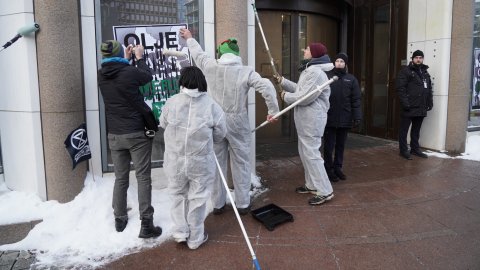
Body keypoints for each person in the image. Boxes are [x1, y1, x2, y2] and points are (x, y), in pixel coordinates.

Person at [179, 28, 279, 215]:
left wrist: (190, 38)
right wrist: (273, 111)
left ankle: (217, 203)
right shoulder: (245, 71)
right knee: (241, 162)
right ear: (236, 54)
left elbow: (198, 54)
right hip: (237, 121)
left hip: (215, 121)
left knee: (216, 162)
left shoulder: (210, 66)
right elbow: (266, 86)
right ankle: (242, 203)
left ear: (221, 54)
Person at [98, 40, 162, 238]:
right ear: (119, 53)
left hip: (115, 135)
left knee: (120, 177)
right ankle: (146, 223)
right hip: (136, 133)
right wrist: (140, 58)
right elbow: (146, 77)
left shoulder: (101, 74)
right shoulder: (130, 72)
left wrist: (125, 60)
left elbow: (119, 76)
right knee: (142, 177)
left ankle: (119, 219)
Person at [160, 66, 227, 250]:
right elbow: (221, 132)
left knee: (177, 195)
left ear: (182, 81)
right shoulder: (212, 105)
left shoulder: (171, 102)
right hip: (201, 161)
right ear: (201, 82)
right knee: (198, 198)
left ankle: (181, 231)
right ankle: (196, 237)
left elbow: (163, 123)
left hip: (175, 160)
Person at [274, 43, 335, 205]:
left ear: (314, 54)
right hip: (306, 121)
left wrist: (285, 96)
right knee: (305, 153)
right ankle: (312, 185)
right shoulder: (310, 70)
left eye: (307, 49)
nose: (304, 51)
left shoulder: (315, 72)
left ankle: (325, 190)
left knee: (312, 155)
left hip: (312, 121)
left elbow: (306, 96)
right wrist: (284, 82)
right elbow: (301, 89)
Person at [323, 53, 362, 181]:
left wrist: (357, 117)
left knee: (341, 145)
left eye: (342, 61)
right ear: (334, 63)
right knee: (329, 146)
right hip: (330, 117)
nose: (339, 63)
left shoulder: (351, 79)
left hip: (345, 117)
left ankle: (337, 168)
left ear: (345, 64)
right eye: (337, 61)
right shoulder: (328, 77)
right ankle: (328, 170)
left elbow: (356, 100)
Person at [396, 50, 433, 160]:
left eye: (420, 57)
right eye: (416, 57)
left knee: (416, 130)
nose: (418, 59)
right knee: (404, 130)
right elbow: (400, 89)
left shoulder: (425, 73)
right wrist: (405, 103)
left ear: (423, 59)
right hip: (408, 107)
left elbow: (429, 89)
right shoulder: (405, 72)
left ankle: (415, 149)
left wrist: (429, 102)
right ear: (412, 59)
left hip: (421, 107)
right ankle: (403, 150)